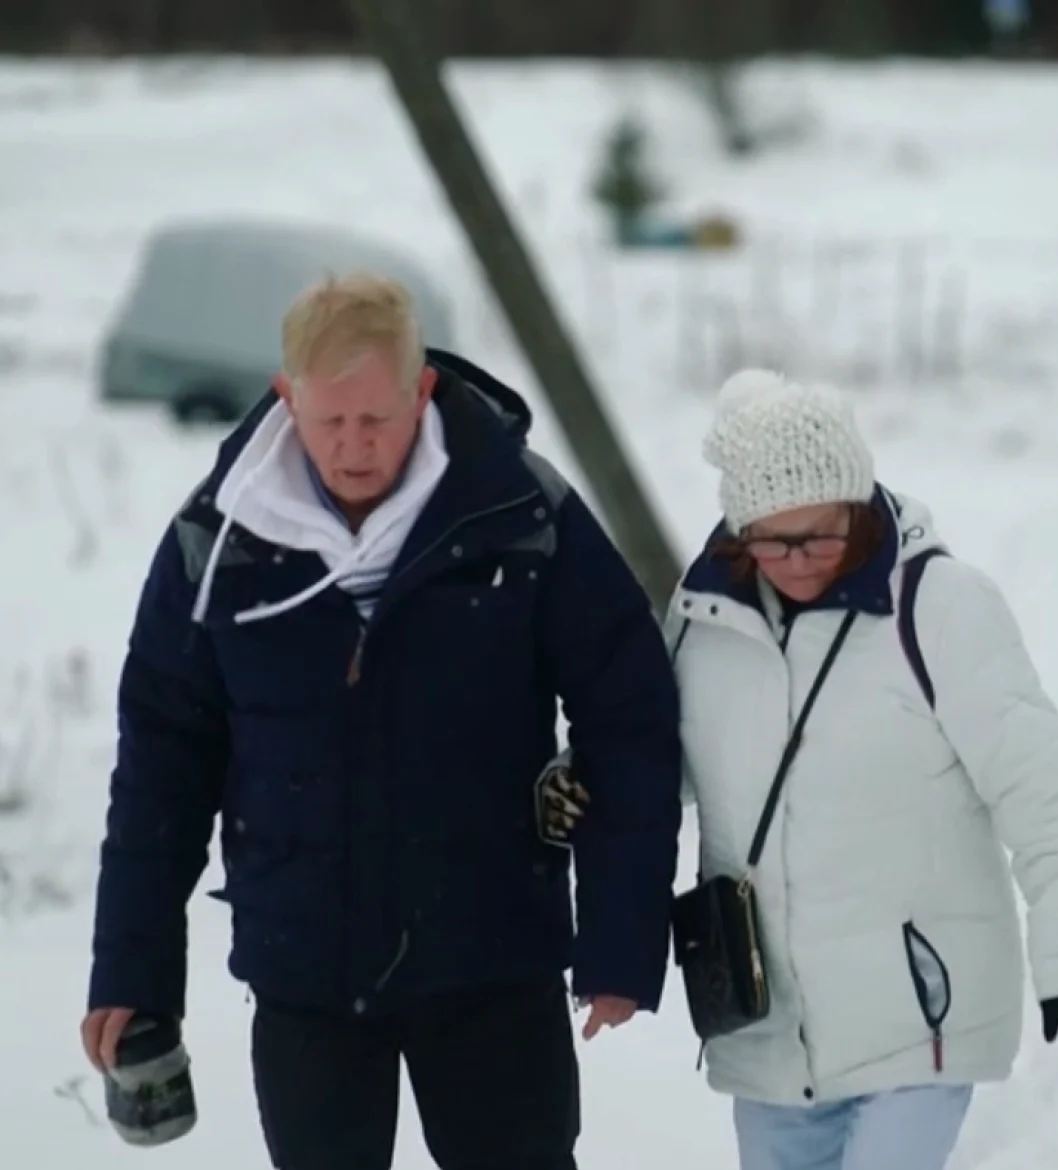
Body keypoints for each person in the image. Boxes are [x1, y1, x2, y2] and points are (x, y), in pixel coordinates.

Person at [82, 273, 683, 1170]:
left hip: (491, 959)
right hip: (305, 973)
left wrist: (621, 937)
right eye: (330, 423)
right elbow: (160, 769)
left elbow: (628, 711)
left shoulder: (517, 511)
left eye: (378, 420)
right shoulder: (221, 545)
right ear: (288, 398)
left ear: (422, 392)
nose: (355, 448)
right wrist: (132, 973)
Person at [540, 370, 1058, 1170]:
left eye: (820, 535)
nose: (797, 560)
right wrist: (581, 781)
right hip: (768, 1028)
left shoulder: (940, 607)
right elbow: (659, 758)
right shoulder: (704, 618)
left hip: (921, 1016)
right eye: (771, 540)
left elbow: (1045, 792)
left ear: (856, 503)